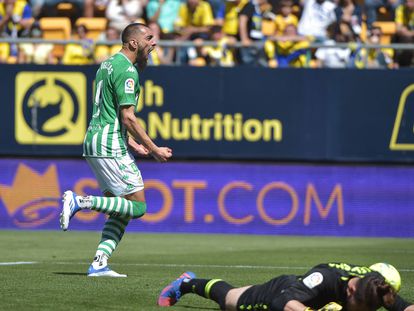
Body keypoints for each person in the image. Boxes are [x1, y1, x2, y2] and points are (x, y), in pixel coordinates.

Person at [59, 23, 173, 277]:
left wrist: (132, 143)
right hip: (109, 144)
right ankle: (80, 201)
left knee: (121, 209)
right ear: (133, 43)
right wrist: (153, 148)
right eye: (149, 38)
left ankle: (99, 263)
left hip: (96, 140)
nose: (153, 43)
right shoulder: (127, 71)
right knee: (140, 207)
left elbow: (108, 109)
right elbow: (128, 117)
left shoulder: (108, 64)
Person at [158, 262, 414, 311]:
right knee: (230, 301)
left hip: (308, 298)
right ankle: (186, 283)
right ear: (351, 293)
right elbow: (282, 303)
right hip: (286, 292)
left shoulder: (374, 288)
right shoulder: (325, 279)